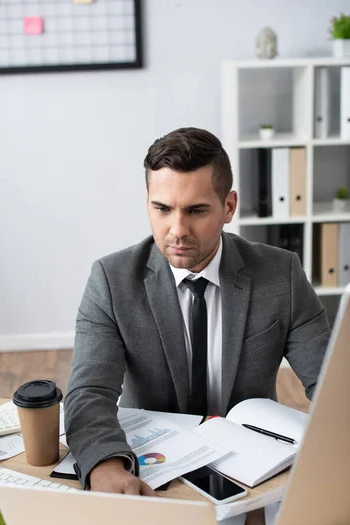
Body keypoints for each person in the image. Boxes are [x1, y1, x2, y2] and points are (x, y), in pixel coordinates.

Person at [64, 127, 330, 496]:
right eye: (162, 209)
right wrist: (106, 464)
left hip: (253, 468)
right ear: (148, 203)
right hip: (155, 469)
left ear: (229, 207)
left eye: (196, 210)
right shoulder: (111, 280)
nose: (177, 230)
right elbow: (89, 390)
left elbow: (330, 384)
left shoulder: (280, 274)